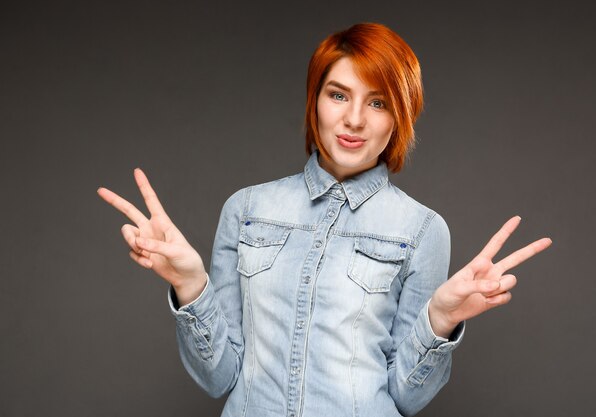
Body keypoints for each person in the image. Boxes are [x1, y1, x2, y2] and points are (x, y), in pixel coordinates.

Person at [97, 23, 551, 417]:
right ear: (315, 101)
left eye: (378, 103)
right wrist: (191, 287)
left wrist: (440, 320)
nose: (353, 119)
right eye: (338, 95)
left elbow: (407, 398)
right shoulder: (247, 210)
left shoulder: (422, 230)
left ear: (400, 117)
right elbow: (219, 378)